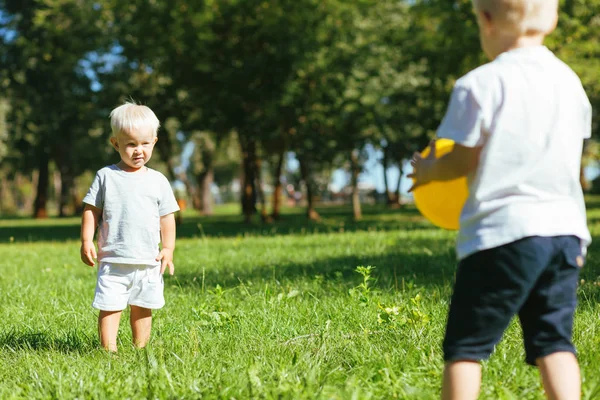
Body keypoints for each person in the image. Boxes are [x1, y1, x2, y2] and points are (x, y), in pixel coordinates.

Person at [409, 0, 592, 399]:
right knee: (554, 341)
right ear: (554, 18)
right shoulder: (569, 82)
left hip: (503, 234)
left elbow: (461, 159)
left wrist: (426, 170)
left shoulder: (478, 84)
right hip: (565, 234)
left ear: (486, 21)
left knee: (466, 349)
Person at [80, 102, 180, 352]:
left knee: (143, 306)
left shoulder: (158, 180)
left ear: (154, 142)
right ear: (115, 144)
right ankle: (109, 350)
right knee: (110, 306)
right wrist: (86, 241)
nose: (139, 150)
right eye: (131, 144)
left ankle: (140, 348)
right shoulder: (106, 176)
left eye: (145, 144)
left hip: (148, 259)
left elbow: (167, 217)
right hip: (114, 259)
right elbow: (91, 210)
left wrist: (168, 248)